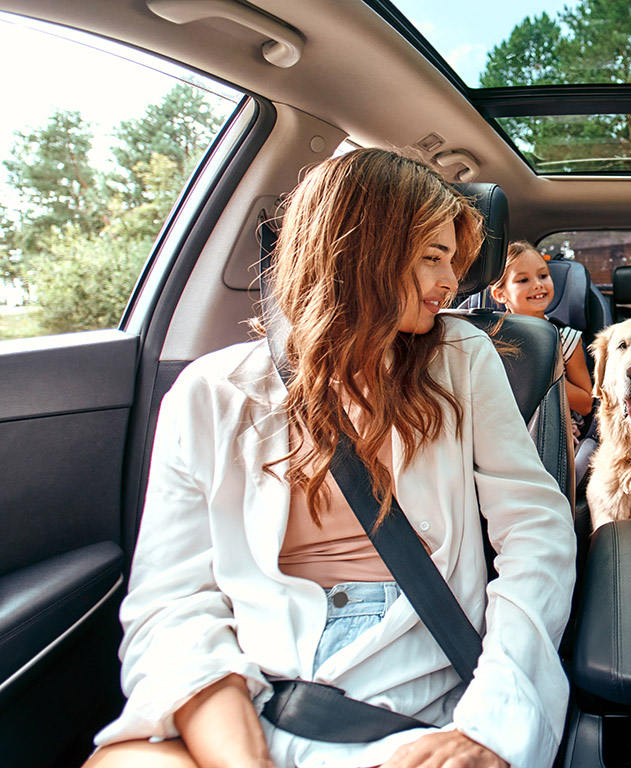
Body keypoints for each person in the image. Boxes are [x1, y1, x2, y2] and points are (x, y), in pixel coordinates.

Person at [84, 149, 576, 768]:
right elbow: (172, 603)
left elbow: (536, 530)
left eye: (453, 261)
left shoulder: (462, 357)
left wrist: (490, 725)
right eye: (432, 257)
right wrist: (242, 755)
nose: (451, 283)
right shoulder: (210, 393)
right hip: (250, 690)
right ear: (355, 250)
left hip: (412, 703)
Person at [489, 241, 594, 429]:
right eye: (523, 280)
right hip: (502, 428)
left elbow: (586, 405)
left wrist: (543, 376)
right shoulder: (489, 339)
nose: (538, 285)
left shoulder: (566, 339)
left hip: (555, 430)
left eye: (543, 276)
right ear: (500, 294)